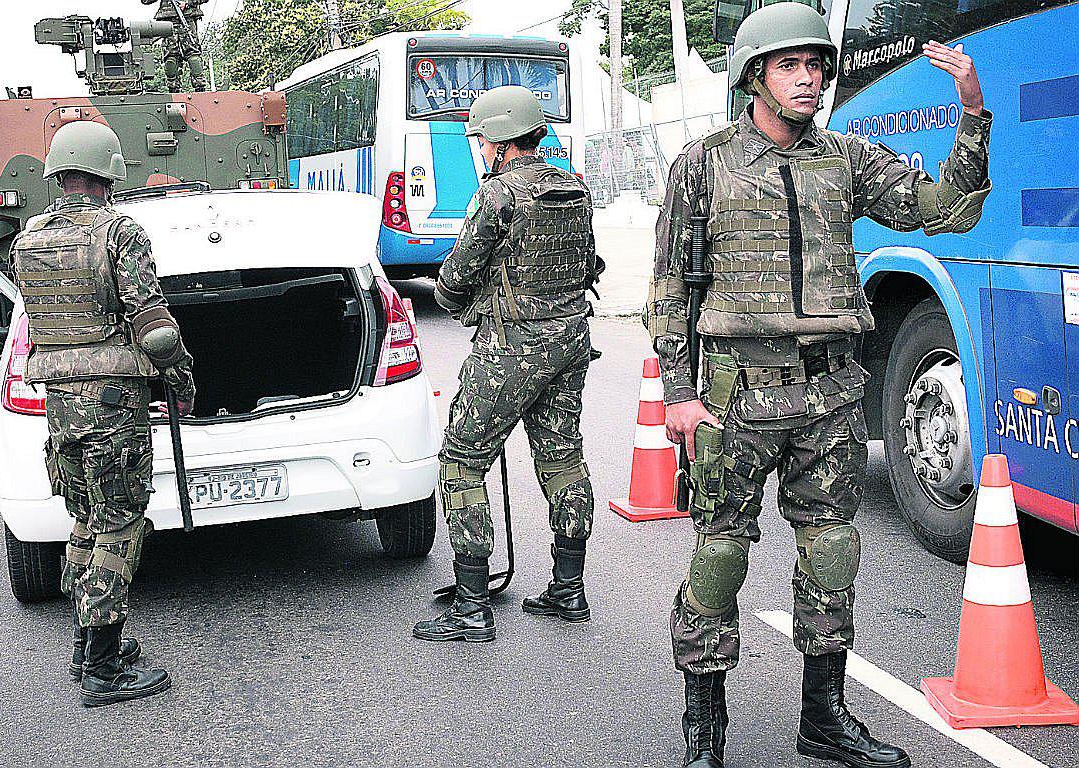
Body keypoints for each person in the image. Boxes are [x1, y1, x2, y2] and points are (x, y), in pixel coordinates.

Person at [645, 4, 992, 767]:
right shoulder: (703, 164)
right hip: (736, 397)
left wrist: (972, 113)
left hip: (830, 397)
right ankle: (705, 731)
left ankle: (824, 718)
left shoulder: (847, 158)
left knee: (832, 550)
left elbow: (947, 212)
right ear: (754, 76)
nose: (808, 80)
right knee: (720, 557)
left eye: (817, 67)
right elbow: (671, 283)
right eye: (790, 67)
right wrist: (678, 392)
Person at [10, 119, 195, 706]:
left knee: (87, 521)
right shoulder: (120, 234)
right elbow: (154, 329)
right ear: (110, 174)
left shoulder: (29, 240)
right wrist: (182, 380)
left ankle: (86, 644)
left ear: (59, 175)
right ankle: (104, 668)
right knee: (119, 523)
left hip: (59, 407)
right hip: (113, 403)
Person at [413, 85, 600, 643]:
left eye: (480, 140)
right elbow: (588, 262)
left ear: (495, 140)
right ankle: (569, 588)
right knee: (564, 458)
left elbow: (455, 277)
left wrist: (451, 299)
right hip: (569, 341)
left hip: (510, 350)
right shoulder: (573, 188)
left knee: (463, 459)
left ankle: (471, 606)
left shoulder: (497, 197)